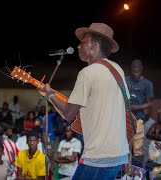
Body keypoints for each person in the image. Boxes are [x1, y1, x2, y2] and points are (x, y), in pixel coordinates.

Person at [37, 22, 129, 179]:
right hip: (119, 152)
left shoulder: (87, 73)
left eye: (83, 42)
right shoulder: (117, 69)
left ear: (93, 46)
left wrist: (49, 95)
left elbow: (68, 113)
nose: (79, 46)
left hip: (99, 154)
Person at [125, 59, 154, 156]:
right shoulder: (126, 79)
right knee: (124, 144)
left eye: (138, 71)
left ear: (142, 69)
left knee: (137, 145)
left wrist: (135, 107)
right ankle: (124, 169)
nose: (136, 74)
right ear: (130, 70)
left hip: (139, 117)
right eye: (134, 71)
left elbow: (149, 104)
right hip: (125, 117)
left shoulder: (147, 84)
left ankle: (137, 170)